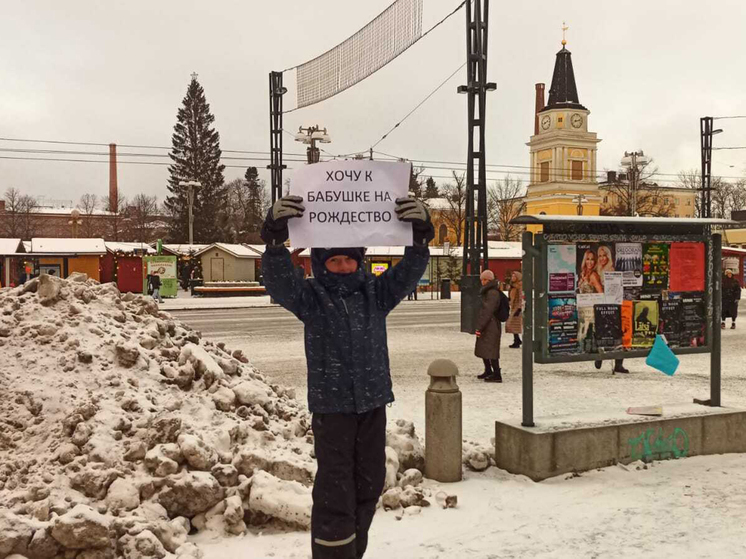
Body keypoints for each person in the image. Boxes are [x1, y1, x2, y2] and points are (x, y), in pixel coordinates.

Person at [260, 193, 433, 559]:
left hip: (372, 404)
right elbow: (278, 281)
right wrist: (275, 240)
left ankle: (354, 550)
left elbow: (409, 271)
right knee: (335, 490)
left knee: (369, 485)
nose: (342, 266)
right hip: (333, 408)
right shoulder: (311, 296)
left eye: (348, 259)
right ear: (322, 263)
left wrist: (420, 238)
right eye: (334, 259)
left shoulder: (377, 293)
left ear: (359, 261)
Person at [475, 270, 503, 382]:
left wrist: (480, 326)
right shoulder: (488, 291)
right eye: (482, 279)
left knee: (491, 349)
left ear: (490, 280)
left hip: (491, 325)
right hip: (488, 324)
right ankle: (488, 370)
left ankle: (497, 374)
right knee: (485, 348)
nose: (483, 281)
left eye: (485, 279)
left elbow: (487, 311)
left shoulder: (492, 293)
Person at [506, 271, 523, 348]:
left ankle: (517, 340)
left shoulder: (519, 286)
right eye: (512, 276)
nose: (513, 278)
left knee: (512, 324)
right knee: (513, 325)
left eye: (514, 276)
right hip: (513, 307)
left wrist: (519, 308)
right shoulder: (512, 286)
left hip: (517, 307)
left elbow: (520, 298)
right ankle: (517, 339)